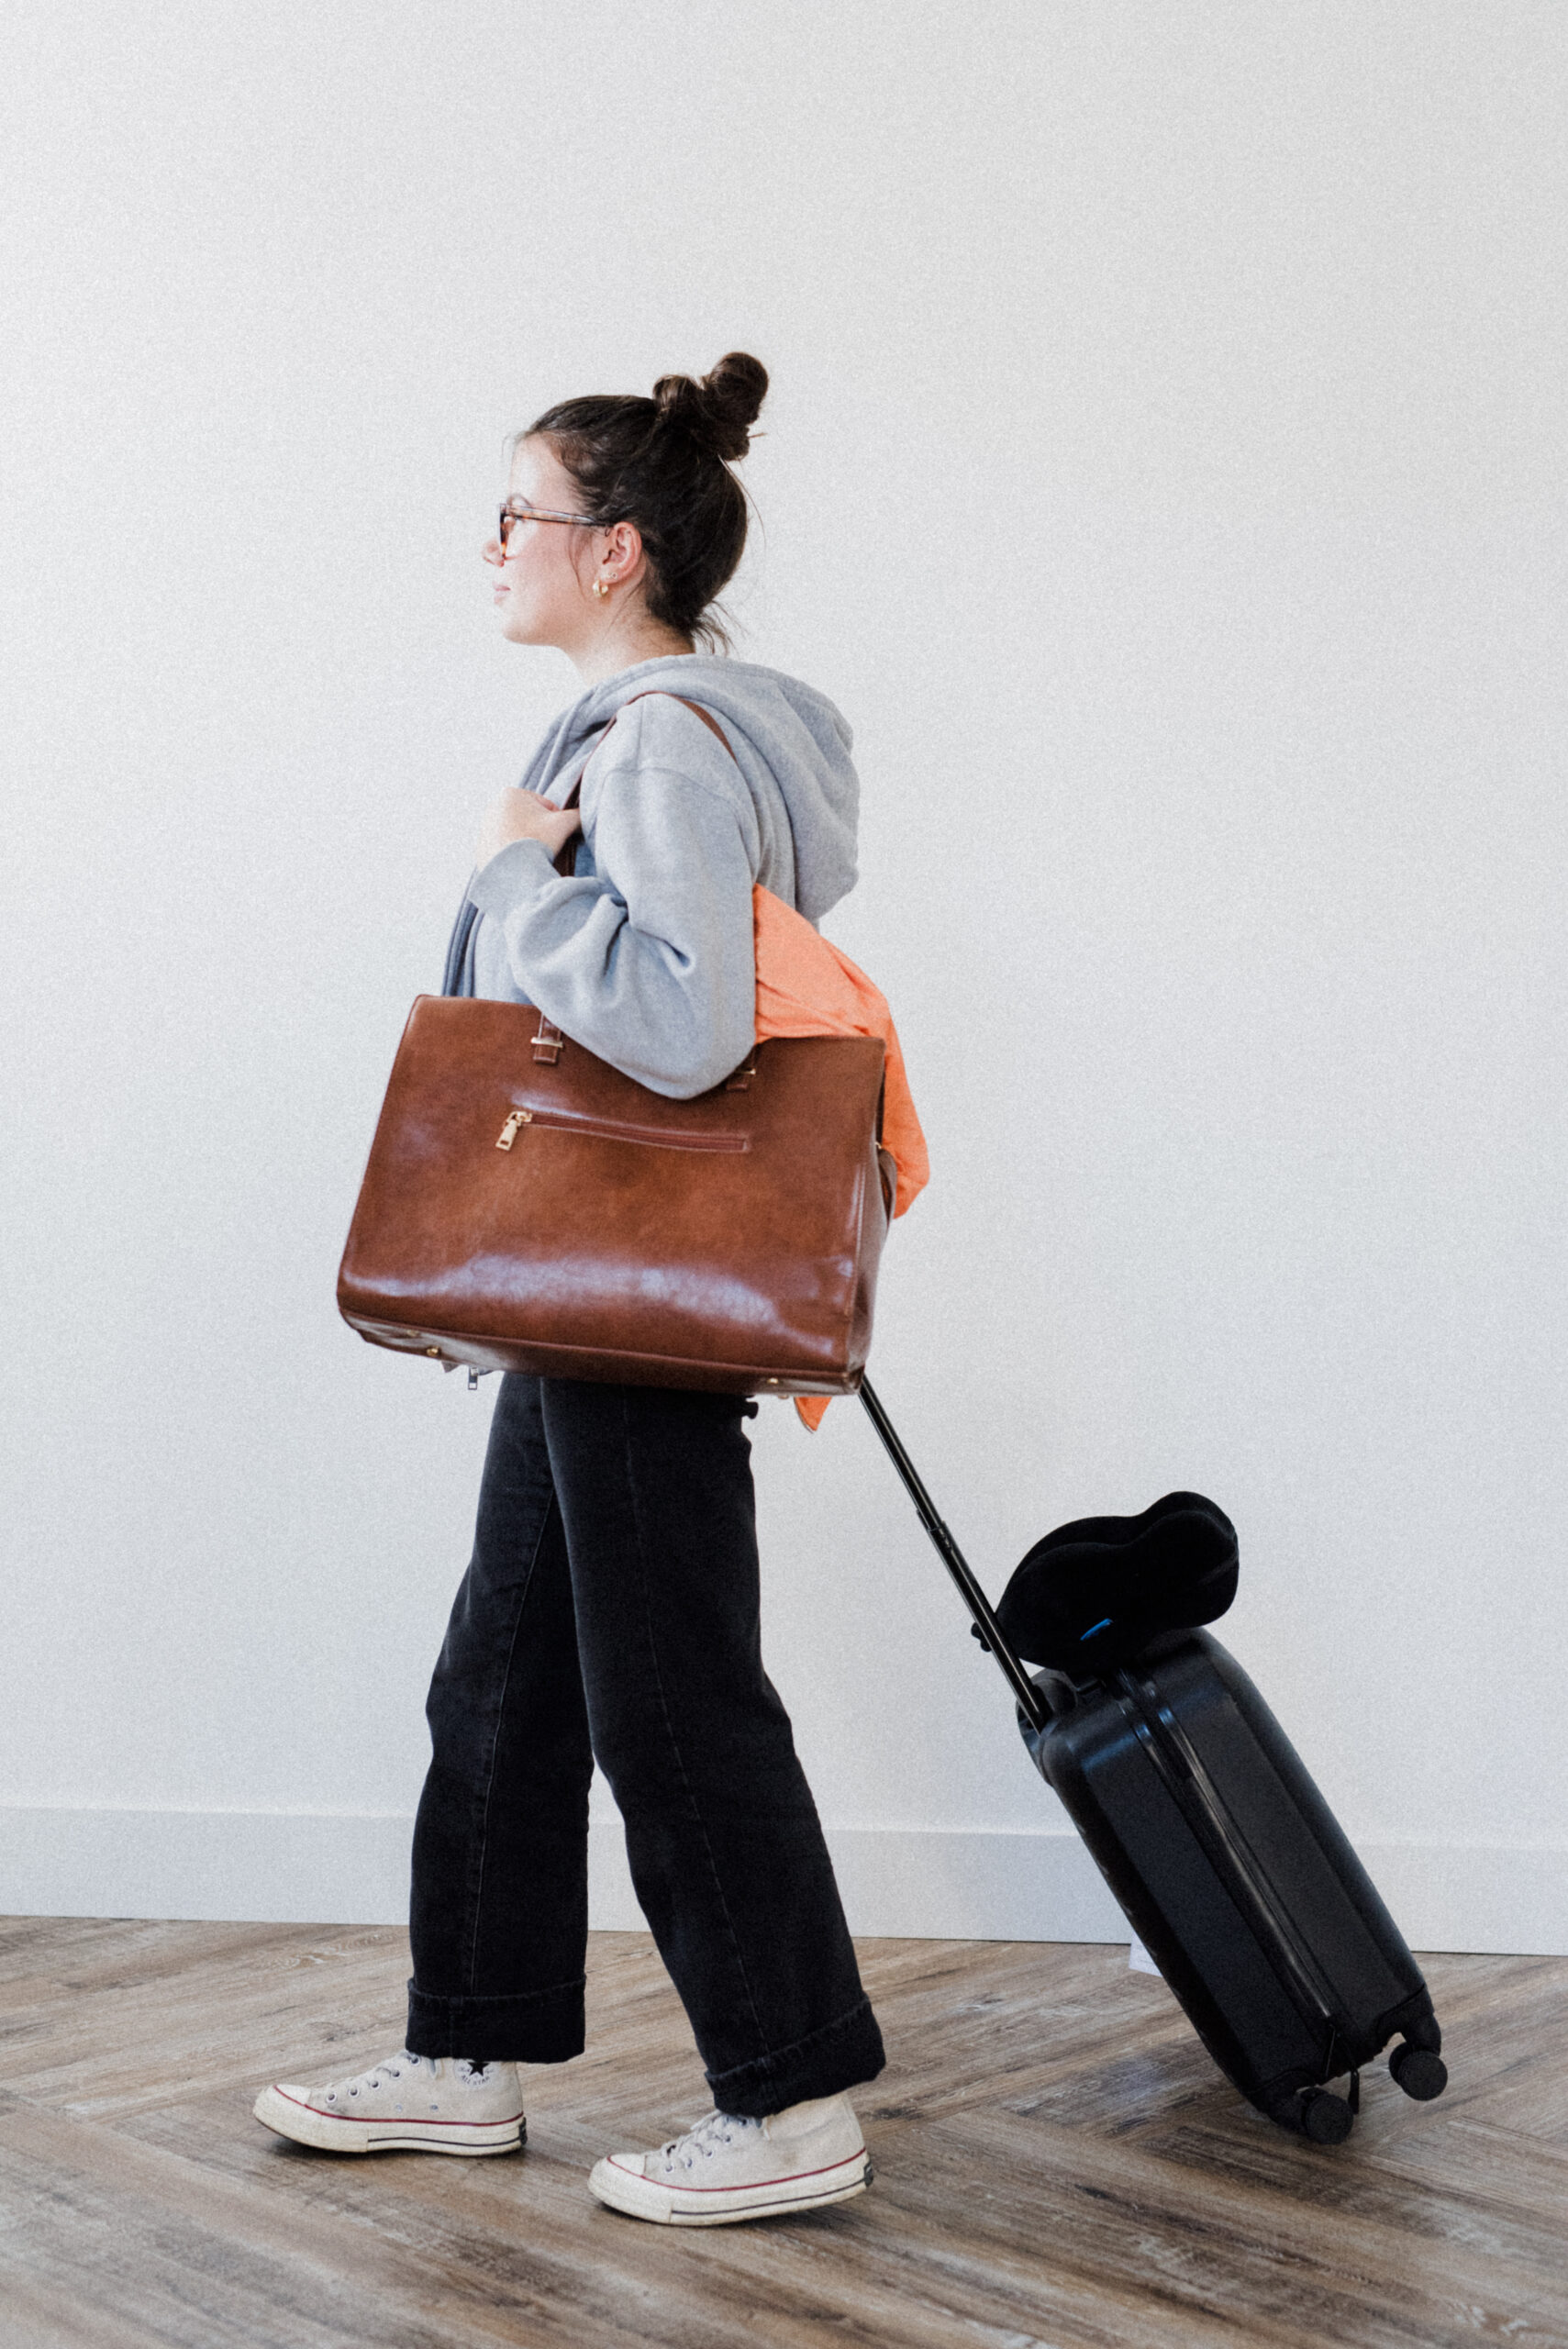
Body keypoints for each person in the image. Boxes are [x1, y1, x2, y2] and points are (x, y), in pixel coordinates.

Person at [254, 354, 886, 2224]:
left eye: (520, 516)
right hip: (594, 1288)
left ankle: (787, 2100)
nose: (493, 548)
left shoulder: (659, 747)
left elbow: (682, 1029)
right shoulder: (648, 738)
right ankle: (464, 2052)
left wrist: (522, 879)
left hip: (635, 1287)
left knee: (671, 1692)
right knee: (508, 1677)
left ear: (615, 550)